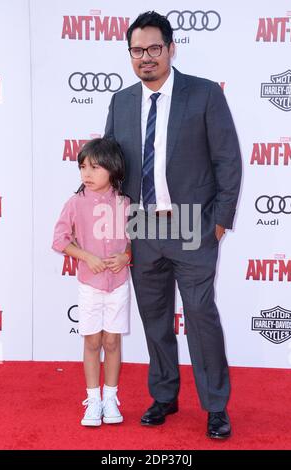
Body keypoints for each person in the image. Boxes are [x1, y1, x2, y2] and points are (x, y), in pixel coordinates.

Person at [104, 11, 242, 439]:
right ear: (130, 54)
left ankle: (215, 405)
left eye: (153, 49)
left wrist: (218, 224)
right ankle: (164, 395)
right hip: (143, 228)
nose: (145, 57)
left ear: (170, 48)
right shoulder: (121, 102)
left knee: (201, 316)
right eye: (137, 51)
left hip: (191, 227)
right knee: (155, 318)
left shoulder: (202, 95)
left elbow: (228, 161)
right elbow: (113, 168)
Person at [52, 138, 131, 427]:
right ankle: (93, 399)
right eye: (83, 167)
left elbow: (136, 242)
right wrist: (85, 256)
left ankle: (111, 397)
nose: (87, 173)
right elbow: (59, 240)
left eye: (95, 167)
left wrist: (126, 257)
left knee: (112, 341)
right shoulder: (75, 203)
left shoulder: (125, 203)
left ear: (112, 169)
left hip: (119, 283)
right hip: (89, 284)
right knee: (92, 341)